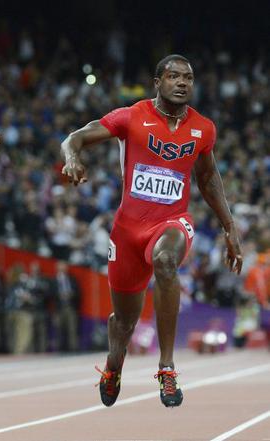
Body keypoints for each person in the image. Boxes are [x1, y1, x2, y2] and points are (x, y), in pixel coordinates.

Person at [61, 54, 242, 408]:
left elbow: (206, 177)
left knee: (166, 260)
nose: (182, 83)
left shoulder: (203, 129)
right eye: (174, 76)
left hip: (171, 222)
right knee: (124, 323)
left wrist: (229, 227)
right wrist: (72, 158)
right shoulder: (131, 117)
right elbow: (75, 137)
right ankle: (114, 364)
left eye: (188, 77)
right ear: (157, 82)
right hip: (127, 232)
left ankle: (167, 367)